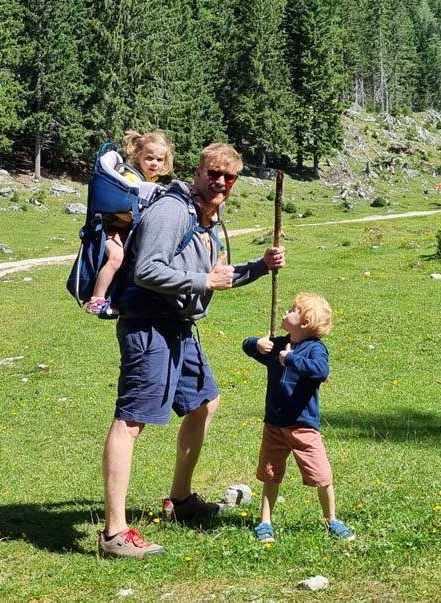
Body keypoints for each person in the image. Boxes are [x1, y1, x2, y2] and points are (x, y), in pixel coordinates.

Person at [98, 143, 286, 559]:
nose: (220, 181)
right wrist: (203, 284)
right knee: (130, 422)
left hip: (179, 327)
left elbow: (215, 275)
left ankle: (180, 501)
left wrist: (260, 266)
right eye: (213, 173)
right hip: (149, 326)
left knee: (204, 403)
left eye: (229, 177)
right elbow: (148, 270)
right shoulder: (172, 210)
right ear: (197, 172)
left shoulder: (207, 220)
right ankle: (114, 532)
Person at [241, 292, 354, 544]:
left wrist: (291, 359)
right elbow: (248, 347)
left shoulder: (316, 349)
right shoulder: (278, 344)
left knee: (321, 476)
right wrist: (256, 344)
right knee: (270, 474)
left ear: (304, 322)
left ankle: (331, 519)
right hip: (274, 425)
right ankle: (265, 522)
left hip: (304, 426)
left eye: (292, 310)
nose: (285, 312)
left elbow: (320, 371)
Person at [86, 130, 175, 317]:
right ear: (137, 156)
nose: (154, 163)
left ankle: (118, 299)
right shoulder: (131, 177)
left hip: (125, 231)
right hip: (110, 229)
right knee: (116, 258)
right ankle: (96, 299)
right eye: (149, 158)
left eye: (159, 160)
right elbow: (134, 196)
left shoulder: (148, 179)